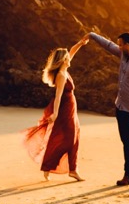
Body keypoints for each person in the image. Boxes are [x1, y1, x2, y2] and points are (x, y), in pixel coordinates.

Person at [85, 30, 129, 187]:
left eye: (121, 44)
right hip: (121, 107)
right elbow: (108, 45)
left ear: (128, 45)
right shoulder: (124, 54)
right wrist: (92, 35)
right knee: (127, 143)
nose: (119, 47)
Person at [22, 36, 89, 181]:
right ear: (64, 60)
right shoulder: (61, 75)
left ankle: (72, 170)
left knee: (75, 137)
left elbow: (71, 52)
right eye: (67, 58)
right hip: (65, 109)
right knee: (68, 139)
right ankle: (50, 165)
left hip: (71, 108)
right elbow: (58, 96)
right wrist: (56, 113)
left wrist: (80, 43)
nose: (70, 59)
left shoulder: (64, 69)